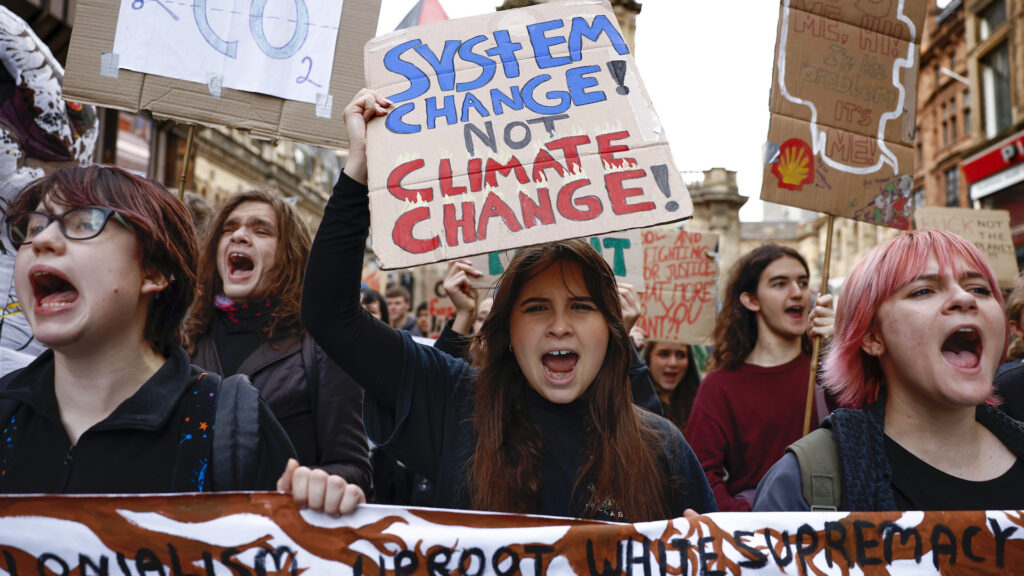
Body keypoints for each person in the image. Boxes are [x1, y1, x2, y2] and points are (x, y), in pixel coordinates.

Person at [292, 89, 716, 521]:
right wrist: (360, 170)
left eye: (581, 307)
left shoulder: (662, 448)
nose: (559, 326)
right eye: (535, 308)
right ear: (507, 329)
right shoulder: (454, 404)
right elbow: (329, 315)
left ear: (611, 327)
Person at [0, 165, 295, 494]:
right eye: (34, 226)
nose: (42, 240)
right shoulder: (6, 409)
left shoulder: (225, 427)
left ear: (153, 272)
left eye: (83, 223)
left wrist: (322, 509)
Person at [755, 230, 1024, 511]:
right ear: (872, 337)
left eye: (979, 289)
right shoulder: (800, 485)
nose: (965, 299)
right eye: (923, 290)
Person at [184, 189, 370, 492]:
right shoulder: (185, 337)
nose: (239, 236)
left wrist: (314, 484)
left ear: (290, 255)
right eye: (229, 228)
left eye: (261, 230)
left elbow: (354, 468)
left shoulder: (322, 347)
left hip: (274, 532)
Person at [684, 244, 833, 511]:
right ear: (751, 300)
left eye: (803, 282)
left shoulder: (830, 375)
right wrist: (752, 521)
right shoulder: (719, 387)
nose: (797, 292)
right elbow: (700, 474)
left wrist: (840, 350)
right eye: (779, 284)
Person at [644, 341, 701, 431]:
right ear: (649, 357)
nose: (673, 363)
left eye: (681, 355)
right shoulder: (632, 403)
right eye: (664, 354)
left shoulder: (699, 406)